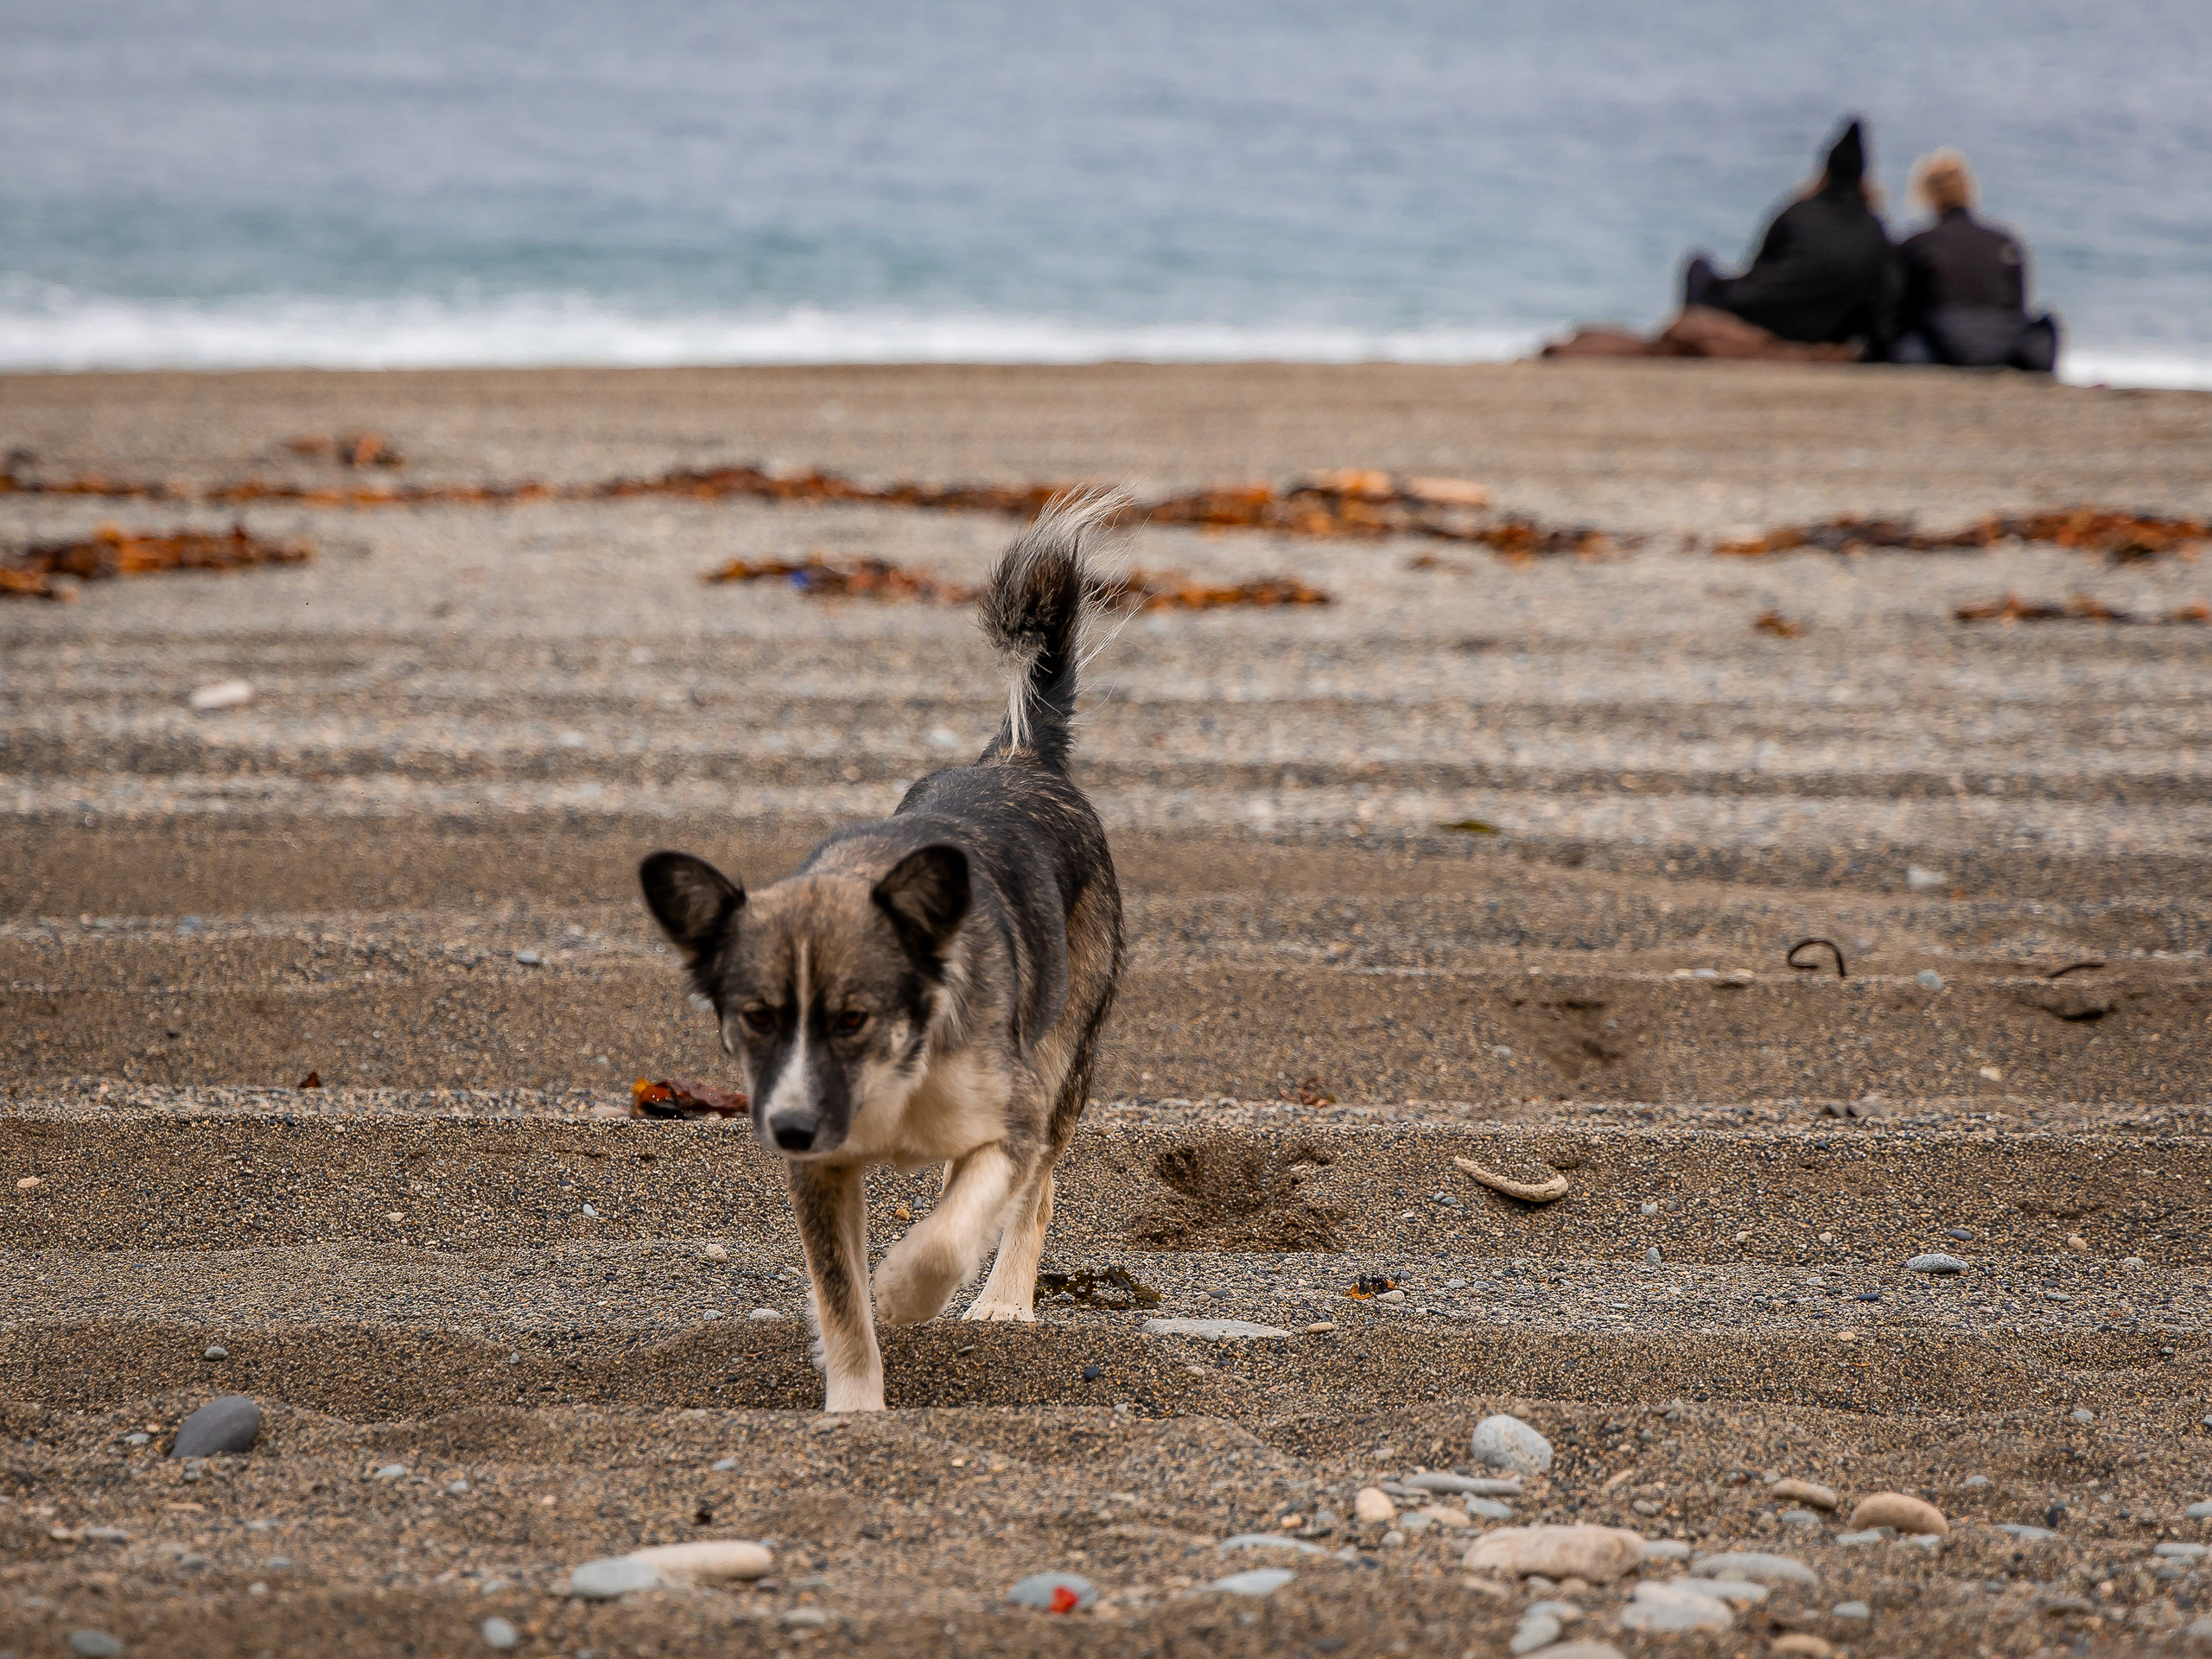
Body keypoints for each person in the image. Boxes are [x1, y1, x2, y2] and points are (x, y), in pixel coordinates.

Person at [1681, 118, 1898, 358]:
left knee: (1698, 267)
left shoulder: (1797, 211)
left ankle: (1686, 348)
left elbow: (1759, 269)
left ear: (1825, 171)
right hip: (1825, 331)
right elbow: (1883, 299)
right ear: (1863, 179)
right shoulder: (1876, 229)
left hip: (1761, 319)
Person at [1890, 149, 2060, 372]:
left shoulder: (1916, 244)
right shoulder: (2004, 241)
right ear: (1968, 191)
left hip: (1947, 345)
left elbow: (1901, 312)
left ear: (1929, 196)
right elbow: (2018, 307)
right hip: (2003, 346)